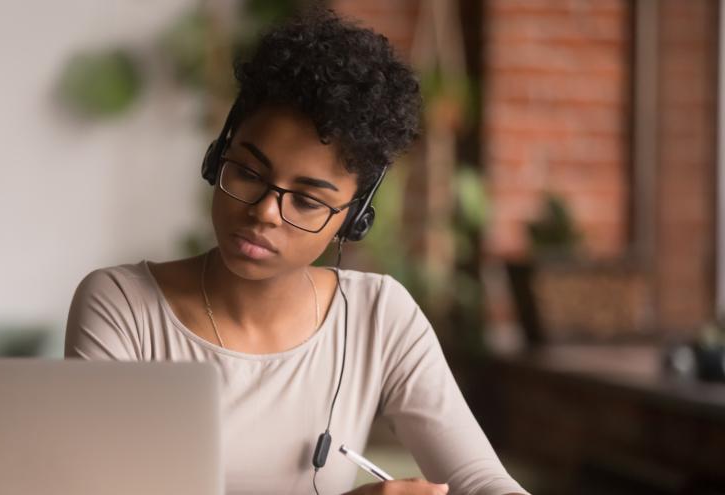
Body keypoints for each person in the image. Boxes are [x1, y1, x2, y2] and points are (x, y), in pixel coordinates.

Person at [64, 7, 529, 495]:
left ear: (352, 218)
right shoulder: (122, 306)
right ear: (215, 158)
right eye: (247, 172)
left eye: (307, 200)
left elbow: (480, 480)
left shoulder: (378, 316)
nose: (264, 212)